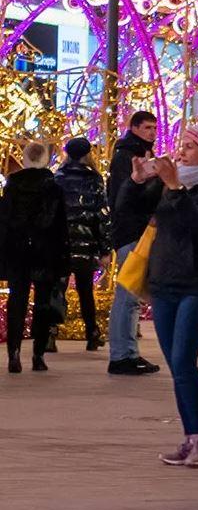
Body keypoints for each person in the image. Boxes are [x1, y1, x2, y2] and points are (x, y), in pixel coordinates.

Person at [123, 120, 198, 466]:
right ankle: (190, 438)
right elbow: (127, 209)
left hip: (197, 284)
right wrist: (136, 181)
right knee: (176, 365)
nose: (180, 150)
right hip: (164, 283)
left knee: (185, 361)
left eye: (188, 146)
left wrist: (176, 188)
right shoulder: (169, 182)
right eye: (181, 144)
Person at [3, 142, 69, 373]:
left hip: (17, 251)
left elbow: (5, 221)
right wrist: (63, 259)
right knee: (42, 303)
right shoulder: (53, 187)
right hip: (45, 252)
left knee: (17, 302)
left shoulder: (12, 186)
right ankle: (38, 355)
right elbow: (61, 226)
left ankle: (14, 353)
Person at [106, 110, 162, 375]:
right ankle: (121, 356)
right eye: (147, 128)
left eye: (154, 128)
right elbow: (123, 198)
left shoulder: (139, 154)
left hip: (136, 232)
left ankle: (128, 353)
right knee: (127, 295)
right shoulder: (127, 157)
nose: (153, 132)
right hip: (130, 233)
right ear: (135, 128)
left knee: (132, 296)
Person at [57, 137, 112, 351]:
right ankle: (92, 333)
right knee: (85, 291)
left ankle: (51, 332)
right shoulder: (94, 179)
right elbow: (102, 215)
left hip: (61, 243)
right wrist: (105, 248)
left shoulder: (58, 178)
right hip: (86, 243)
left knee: (58, 289)